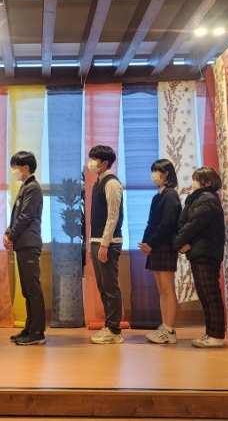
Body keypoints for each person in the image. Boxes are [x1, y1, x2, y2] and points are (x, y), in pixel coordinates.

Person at [174, 167, 227, 348]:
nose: (193, 183)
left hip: (206, 252)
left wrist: (177, 243)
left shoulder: (207, 199)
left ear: (207, 183)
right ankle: (210, 333)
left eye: (197, 180)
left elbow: (193, 225)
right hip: (200, 251)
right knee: (204, 294)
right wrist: (182, 243)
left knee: (210, 294)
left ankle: (216, 335)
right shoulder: (199, 199)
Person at [138, 159, 183, 344]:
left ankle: (170, 330)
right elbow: (152, 222)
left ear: (166, 174)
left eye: (157, 171)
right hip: (156, 246)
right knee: (161, 289)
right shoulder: (159, 195)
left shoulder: (170, 194)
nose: (154, 174)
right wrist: (146, 242)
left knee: (167, 288)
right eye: (153, 170)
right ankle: (165, 326)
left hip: (164, 245)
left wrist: (152, 243)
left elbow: (168, 223)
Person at [4, 151, 46, 346]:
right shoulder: (25, 186)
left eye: (15, 167)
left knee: (32, 289)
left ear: (25, 167)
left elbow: (26, 216)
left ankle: (37, 332)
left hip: (29, 243)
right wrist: (8, 232)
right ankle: (30, 327)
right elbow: (16, 216)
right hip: (22, 244)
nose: (13, 170)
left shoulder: (33, 188)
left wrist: (10, 236)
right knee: (27, 290)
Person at [87, 145, 125, 344]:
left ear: (105, 162)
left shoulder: (111, 183)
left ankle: (115, 330)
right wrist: (92, 242)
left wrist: (105, 244)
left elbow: (113, 216)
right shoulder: (98, 182)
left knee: (110, 287)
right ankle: (109, 325)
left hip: (108, 242)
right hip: (97, 241)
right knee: (103, 286)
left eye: (94, 159)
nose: (91, 162)